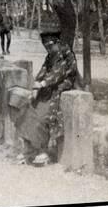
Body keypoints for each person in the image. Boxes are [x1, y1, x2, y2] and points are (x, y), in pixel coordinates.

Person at [14, 30, 78, 165]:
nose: (48, 49)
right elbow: (43, 71)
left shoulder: (67, 54)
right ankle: (30, 149)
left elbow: (58, 74)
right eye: (46, 46)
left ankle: (43, 151)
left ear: (57, 43)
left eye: (50, 46)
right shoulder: (50, 56)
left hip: (59, 89)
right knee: (28, 110)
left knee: (43, 115)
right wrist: (36, 86)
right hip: (46, 89)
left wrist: (42, 83)